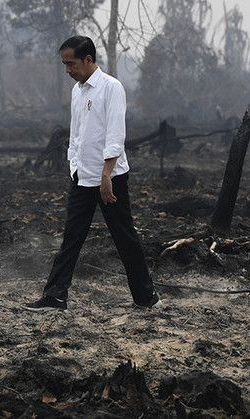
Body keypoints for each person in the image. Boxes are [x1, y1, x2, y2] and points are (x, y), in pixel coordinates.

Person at [29, 35, 159, 310]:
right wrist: (73, 164)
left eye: (71, 63)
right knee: (71, 239)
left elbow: (115, 135)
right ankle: (55, 296)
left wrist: (106, 176)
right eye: (64, 64)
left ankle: (146, 297)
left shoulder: (111, 88)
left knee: (124, 237)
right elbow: (76, 133)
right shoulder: (78, 90)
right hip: (82, 177)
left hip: (109, 179)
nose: (67, 70)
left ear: (88, 60)